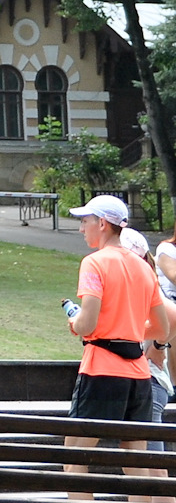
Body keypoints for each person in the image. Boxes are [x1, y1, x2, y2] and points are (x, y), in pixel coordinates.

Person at [64, 195, 176, 500]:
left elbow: (86, 324)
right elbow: (162, 328)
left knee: (74, 458)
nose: (81, 229)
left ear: (102, 224)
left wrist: (76, 324)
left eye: (85, 222)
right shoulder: (142, 269)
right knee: (134, 460)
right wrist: (132, 331)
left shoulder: (94, 263)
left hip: (101, 368)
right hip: (139, 375)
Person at [122, 227, 173, 450]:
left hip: (148, 380)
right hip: (137, 379)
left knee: (150, 461)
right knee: (136, 456)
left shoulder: (144, 286)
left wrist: (158, 345)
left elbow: (173, 316)